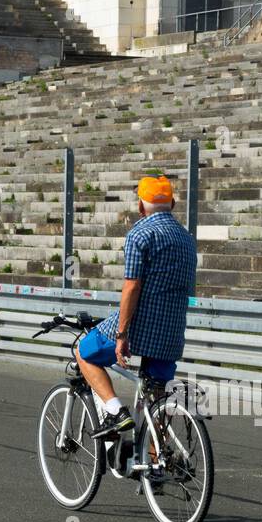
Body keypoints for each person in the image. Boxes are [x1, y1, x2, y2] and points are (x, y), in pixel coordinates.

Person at [74, 175, 197, 439]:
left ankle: (117, 412)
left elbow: (132, 287)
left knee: (84, 351)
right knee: (155, 401)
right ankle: (156, 464)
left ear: (141, 207)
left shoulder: (140, 234)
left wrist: (121, 335)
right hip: (172, 332)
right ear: (172, 203)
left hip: (141, 328)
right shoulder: (187, 240)